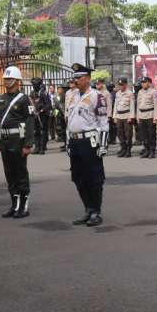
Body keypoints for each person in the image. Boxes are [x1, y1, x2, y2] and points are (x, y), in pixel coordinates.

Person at [65, 64, 109, 227]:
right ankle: (88, 209)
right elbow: (69, 121)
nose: (76, 81)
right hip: (75, 141)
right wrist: (68, 142)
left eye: (79, 78)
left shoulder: (97, 96)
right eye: (75, 78)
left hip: (90, 142)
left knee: (94, 177)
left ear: (88, 79)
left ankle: (96, 211)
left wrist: (103, 145)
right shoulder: (72, 96)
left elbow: (104, 123)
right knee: (78, 177)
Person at [0, 66, 38, 218]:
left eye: (10, 79)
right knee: (9, 175)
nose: (6, 81)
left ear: (18, 81)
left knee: (20, 174)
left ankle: (24, 206)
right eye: (5, 79)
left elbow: (30, 122)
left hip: (19, 142)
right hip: (5, 142)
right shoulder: (2, 99)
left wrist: (28, 144)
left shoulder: (24, 99)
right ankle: (14, 204)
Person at [135, 76, 157, 158]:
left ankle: (152, 151)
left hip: (150, 115)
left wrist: (156, 117)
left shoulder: (154, 92)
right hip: (142, 115)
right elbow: (138, 105)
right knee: (144, 135)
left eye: (144, 82)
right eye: (142, 83)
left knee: (151, 134)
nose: (143, 84)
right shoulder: (140, 92)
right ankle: (146, 150)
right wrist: (138, 117)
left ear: (149, 83)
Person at [112, 78, 135, 157]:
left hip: (127, 115)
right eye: (119, 85)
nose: (120, 86)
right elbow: (115, 105)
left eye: (122, 85)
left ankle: (128, 150)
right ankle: (123, 148)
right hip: (119, 116)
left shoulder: (129, 93)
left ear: (126, 84)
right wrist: (114, 116)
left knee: (128, 134)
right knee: (120, 133)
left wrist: (131, 117)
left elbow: (132, 106)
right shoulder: (117, 93)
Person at [29, 77, 51, 154]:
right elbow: (30, 104)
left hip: (43, 115)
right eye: (33, 84)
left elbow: (48, 104)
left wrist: (42, 110)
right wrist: (32, 111)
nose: (34, 86)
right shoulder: (32, 93)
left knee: (42, 131)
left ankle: (42, 148)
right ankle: (37, 148)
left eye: (35, 84)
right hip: (35, 115)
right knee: (35, 131)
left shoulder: (43, 93)